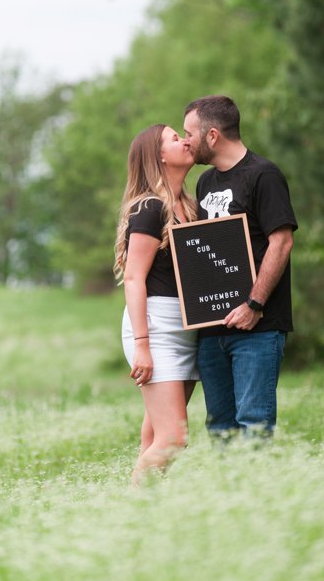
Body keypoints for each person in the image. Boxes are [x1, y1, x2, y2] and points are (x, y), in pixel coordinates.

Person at [182, 95, 297, 441]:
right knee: (220, 429)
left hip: (257, 329)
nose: (186, 140)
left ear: (213, 136)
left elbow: (282, 242)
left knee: (254, 423)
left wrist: (253, 305)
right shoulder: (205, 183)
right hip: (212, 331)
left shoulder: (263, 176)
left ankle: (261, 495)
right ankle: (232, 495)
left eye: (190, 133)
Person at [114, 123, 199, 484]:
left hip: (188, 328)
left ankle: (145, 517)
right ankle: (128, 511)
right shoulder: (150, 208)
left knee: (153, 436)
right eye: (174, 138)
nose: (184, 140)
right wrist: (142, 347)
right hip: (156, 327)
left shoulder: (190, 206)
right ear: (159, 155)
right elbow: (134, 277)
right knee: (174, 438)